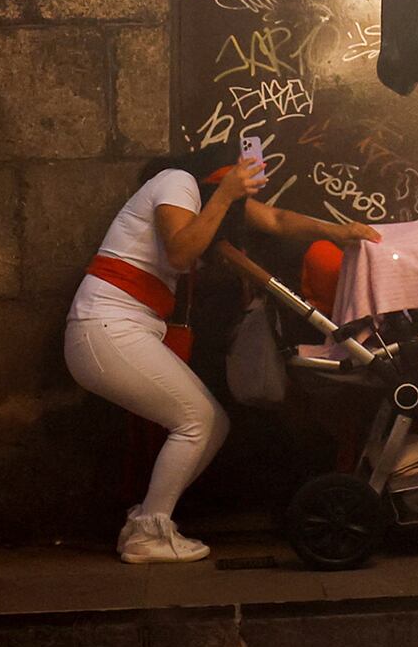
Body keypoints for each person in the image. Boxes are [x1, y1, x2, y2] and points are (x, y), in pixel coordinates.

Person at [65, 148, 380, 564]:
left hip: (120, 327)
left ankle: (147, 521)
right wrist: (225, 193)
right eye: (239, 174)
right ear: (217, 174)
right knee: (197, 420)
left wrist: (337, 232)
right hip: (105, 325)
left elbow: (276, 219)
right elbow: (180, 252)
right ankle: (148, 530)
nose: (246, 185)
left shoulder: (205, 198)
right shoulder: (178, 182)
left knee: (210, 423)